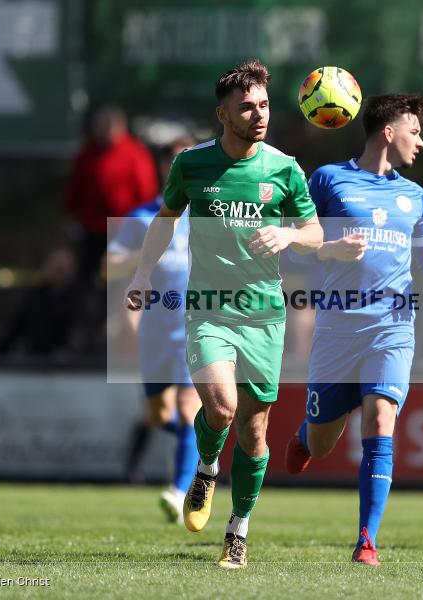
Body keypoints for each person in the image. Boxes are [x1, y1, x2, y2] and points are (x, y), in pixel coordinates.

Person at [124, 60, 323, 568]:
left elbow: (316, 233)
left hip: (264, 315)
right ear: (222, 115)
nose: (259, 115)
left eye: (264, 106)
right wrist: (143, 275)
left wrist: (290, 234)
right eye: (246, 108)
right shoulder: (191, 164)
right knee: (220, 407)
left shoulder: (284, 168)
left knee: (255, 433)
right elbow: (165, 221)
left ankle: (238, 529)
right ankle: (207, 466)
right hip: (209, 310)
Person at [283, 94, 423, 567]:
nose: (420, 141)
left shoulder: (415, 195)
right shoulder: (328, 180)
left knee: (380, 420)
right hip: (338, 327)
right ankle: (305, 433)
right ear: (388, 131)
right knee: (321, 444)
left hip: (393, 327)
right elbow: (294, 244)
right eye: (414, 131)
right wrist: (328, 249)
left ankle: (366, 541)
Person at [106, 136, 201, 523]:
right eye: (172, 161)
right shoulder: (144, 217)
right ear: (165, 169)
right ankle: (195, 452)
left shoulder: (208, 216)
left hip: (197, 327)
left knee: (188, 407)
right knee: (160, 413)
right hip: (155, 330)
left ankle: (181, 493)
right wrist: (140, 257)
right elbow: (108, 266)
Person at [64, 107, 158, 287]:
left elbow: (146, 192)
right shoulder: (86, 154)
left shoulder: (135, 154)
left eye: (109, 126)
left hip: (123, 231)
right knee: (88, 279)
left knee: (121, 280)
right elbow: (75, 187)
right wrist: (71, 215)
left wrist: (141, 223)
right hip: (92, 229)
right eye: (101, 126)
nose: (105, 131)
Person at [0, 247, 81, 363]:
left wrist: (69, 351)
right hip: (37, 361)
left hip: (70, 367)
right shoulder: (36, 296)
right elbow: (16, 327)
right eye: (56, 269)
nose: (59, 274)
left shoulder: (82, 298)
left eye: (62, 270)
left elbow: (81, 332)